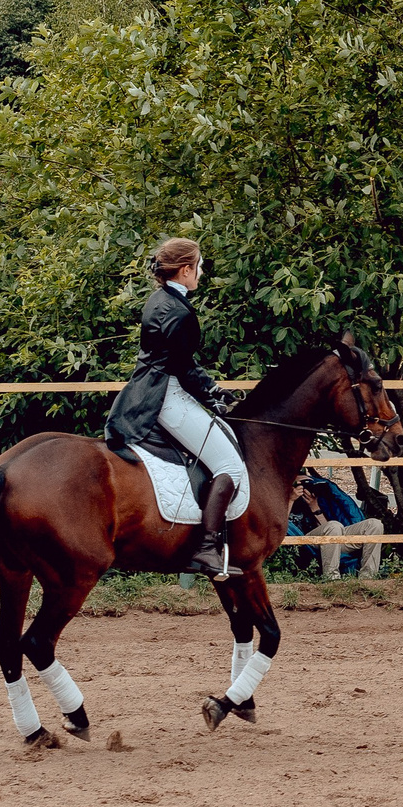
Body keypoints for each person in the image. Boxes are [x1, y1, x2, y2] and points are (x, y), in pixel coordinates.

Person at [104, 238, 246, 578]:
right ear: (185, 270)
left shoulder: (159, 299)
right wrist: (213, 396)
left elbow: (179, 361)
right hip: (167, 396)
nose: (201, 273)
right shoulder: (179, 312)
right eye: (199, 267)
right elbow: (182, 367)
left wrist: (213, 390)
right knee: (230, 466)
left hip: (151, 388)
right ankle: (207, 548)